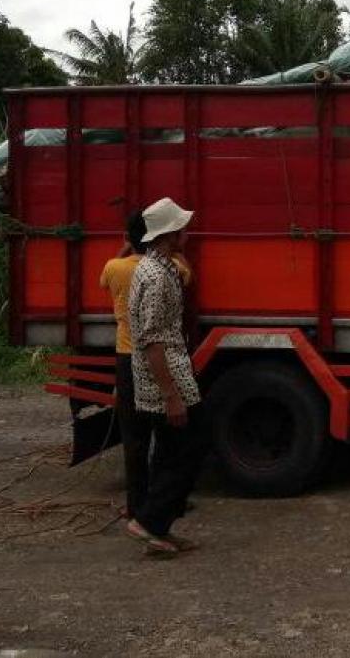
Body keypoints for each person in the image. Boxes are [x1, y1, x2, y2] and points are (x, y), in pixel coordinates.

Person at [123, 197, 206, 557]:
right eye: (181, 227)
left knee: (171, 451)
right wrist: (170, 394)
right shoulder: (156, 276)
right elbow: (153, 338)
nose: (187, 231)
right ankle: (150, 520)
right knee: (189, 445)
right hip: (165, 374)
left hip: (168, 370)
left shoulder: (157, 266)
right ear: (171, 234)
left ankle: (159, 527)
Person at [98, 209, 192, 524]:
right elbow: (187, 273)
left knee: (135, 439)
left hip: (127, 357)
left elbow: (104, 281)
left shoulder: (115, 268)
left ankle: (137, 506)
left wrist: (127, 247)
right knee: (167, 438)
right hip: (155, 358)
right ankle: (155, 510)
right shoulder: (167, 271)